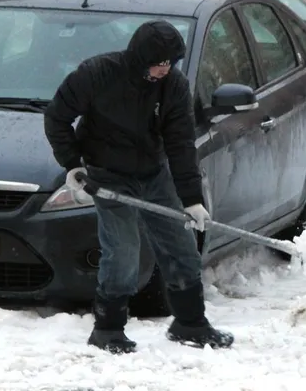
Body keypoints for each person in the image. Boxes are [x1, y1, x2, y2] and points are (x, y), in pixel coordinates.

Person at [43, 19, 234, 354]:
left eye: (171, 63)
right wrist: (73, 164)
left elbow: (180, 144)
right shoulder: (97, 74)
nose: (166, 70)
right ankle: (107, 329)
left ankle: (190, 323)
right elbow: (57, 116)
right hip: (107, 175)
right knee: (123, 253)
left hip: (154, 173)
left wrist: (191, 200)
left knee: (181, 246)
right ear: (141, 58)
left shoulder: (173, 86)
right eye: (160, 63)